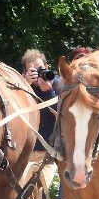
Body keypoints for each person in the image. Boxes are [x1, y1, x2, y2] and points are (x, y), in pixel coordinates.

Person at [22, 49, 60, 189]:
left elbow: (62, 117)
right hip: (25, 152)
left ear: (47, 67)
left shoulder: (58, 84)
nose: (37, 74)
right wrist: (25, 85)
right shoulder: (20, 86)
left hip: (47, 153)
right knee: (20, 197)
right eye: (32, 70)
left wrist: (49, 92)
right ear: (25, 71)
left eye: (40, 69)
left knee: (42, 192)